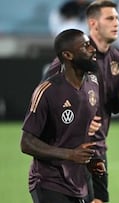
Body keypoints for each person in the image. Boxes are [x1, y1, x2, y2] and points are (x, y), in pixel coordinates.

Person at [44, 1, 119, 203]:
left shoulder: (118, 60)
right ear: (93, 24)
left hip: (97, 148)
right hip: (69, 148)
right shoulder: (75, 55)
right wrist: (78, 120)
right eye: (110, 18)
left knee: (99, 200)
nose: (116, 23)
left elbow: (111, 107)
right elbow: (45, 97)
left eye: (118, 18)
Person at [20, 29, 101, 203]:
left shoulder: (93, 84)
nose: (93, 49)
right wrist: (70, 154)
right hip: (49, 182)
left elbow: (79, 131)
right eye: (85, 46)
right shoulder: (47, 91)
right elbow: (26, 143)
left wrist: (90, 159)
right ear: (68, 55)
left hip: (80, 180)